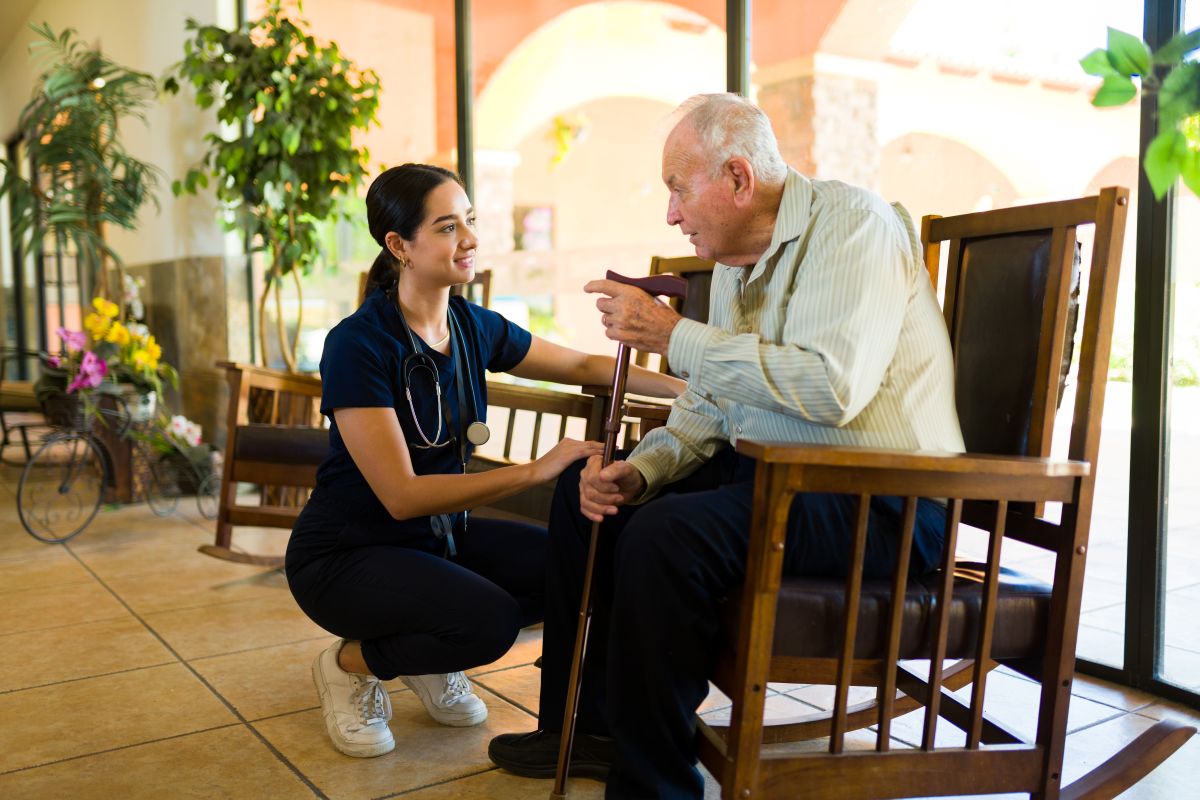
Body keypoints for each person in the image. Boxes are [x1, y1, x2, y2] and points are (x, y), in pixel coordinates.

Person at [487, 94, 966, 798]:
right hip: (778, 481)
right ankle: (587, 728)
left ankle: (655, 785)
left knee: (666, 538)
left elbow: (833, 389)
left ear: (739, 178)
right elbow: (715, 401)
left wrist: (673, 337)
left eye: (678, 189)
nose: (672, 214)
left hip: (882, 500)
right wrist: (639, 473)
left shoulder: (855, 225)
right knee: (591, 497)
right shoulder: (746, 260)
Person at [285, 163, 685, 759]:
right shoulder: (358, 344)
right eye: (447, 227)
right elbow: (401, 495)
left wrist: (691, 389)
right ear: (400, 245)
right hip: (348, 553)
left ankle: (426, 652)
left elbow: (578, 366)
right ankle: (350, 664)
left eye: (469, 221)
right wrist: (533, 470)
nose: (469, 239)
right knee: (488, 624)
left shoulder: (471, 327)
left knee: (576, 567)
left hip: (437, 541)